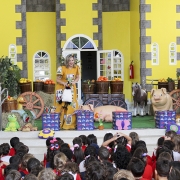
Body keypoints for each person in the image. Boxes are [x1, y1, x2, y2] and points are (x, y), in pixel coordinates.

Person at [55, 54, 80, 130]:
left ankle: (69, 125)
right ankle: (59, 124)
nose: (71, 62)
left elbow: (78, 77)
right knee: (60, 106)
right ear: (67, 61)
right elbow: (57, 79)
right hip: (62, 89)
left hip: (71, 89)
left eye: (72, 60)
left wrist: (74, 82)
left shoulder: (77, 68)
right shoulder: (62, 68)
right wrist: (64, 83)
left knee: (72, 105)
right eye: (69, 60)